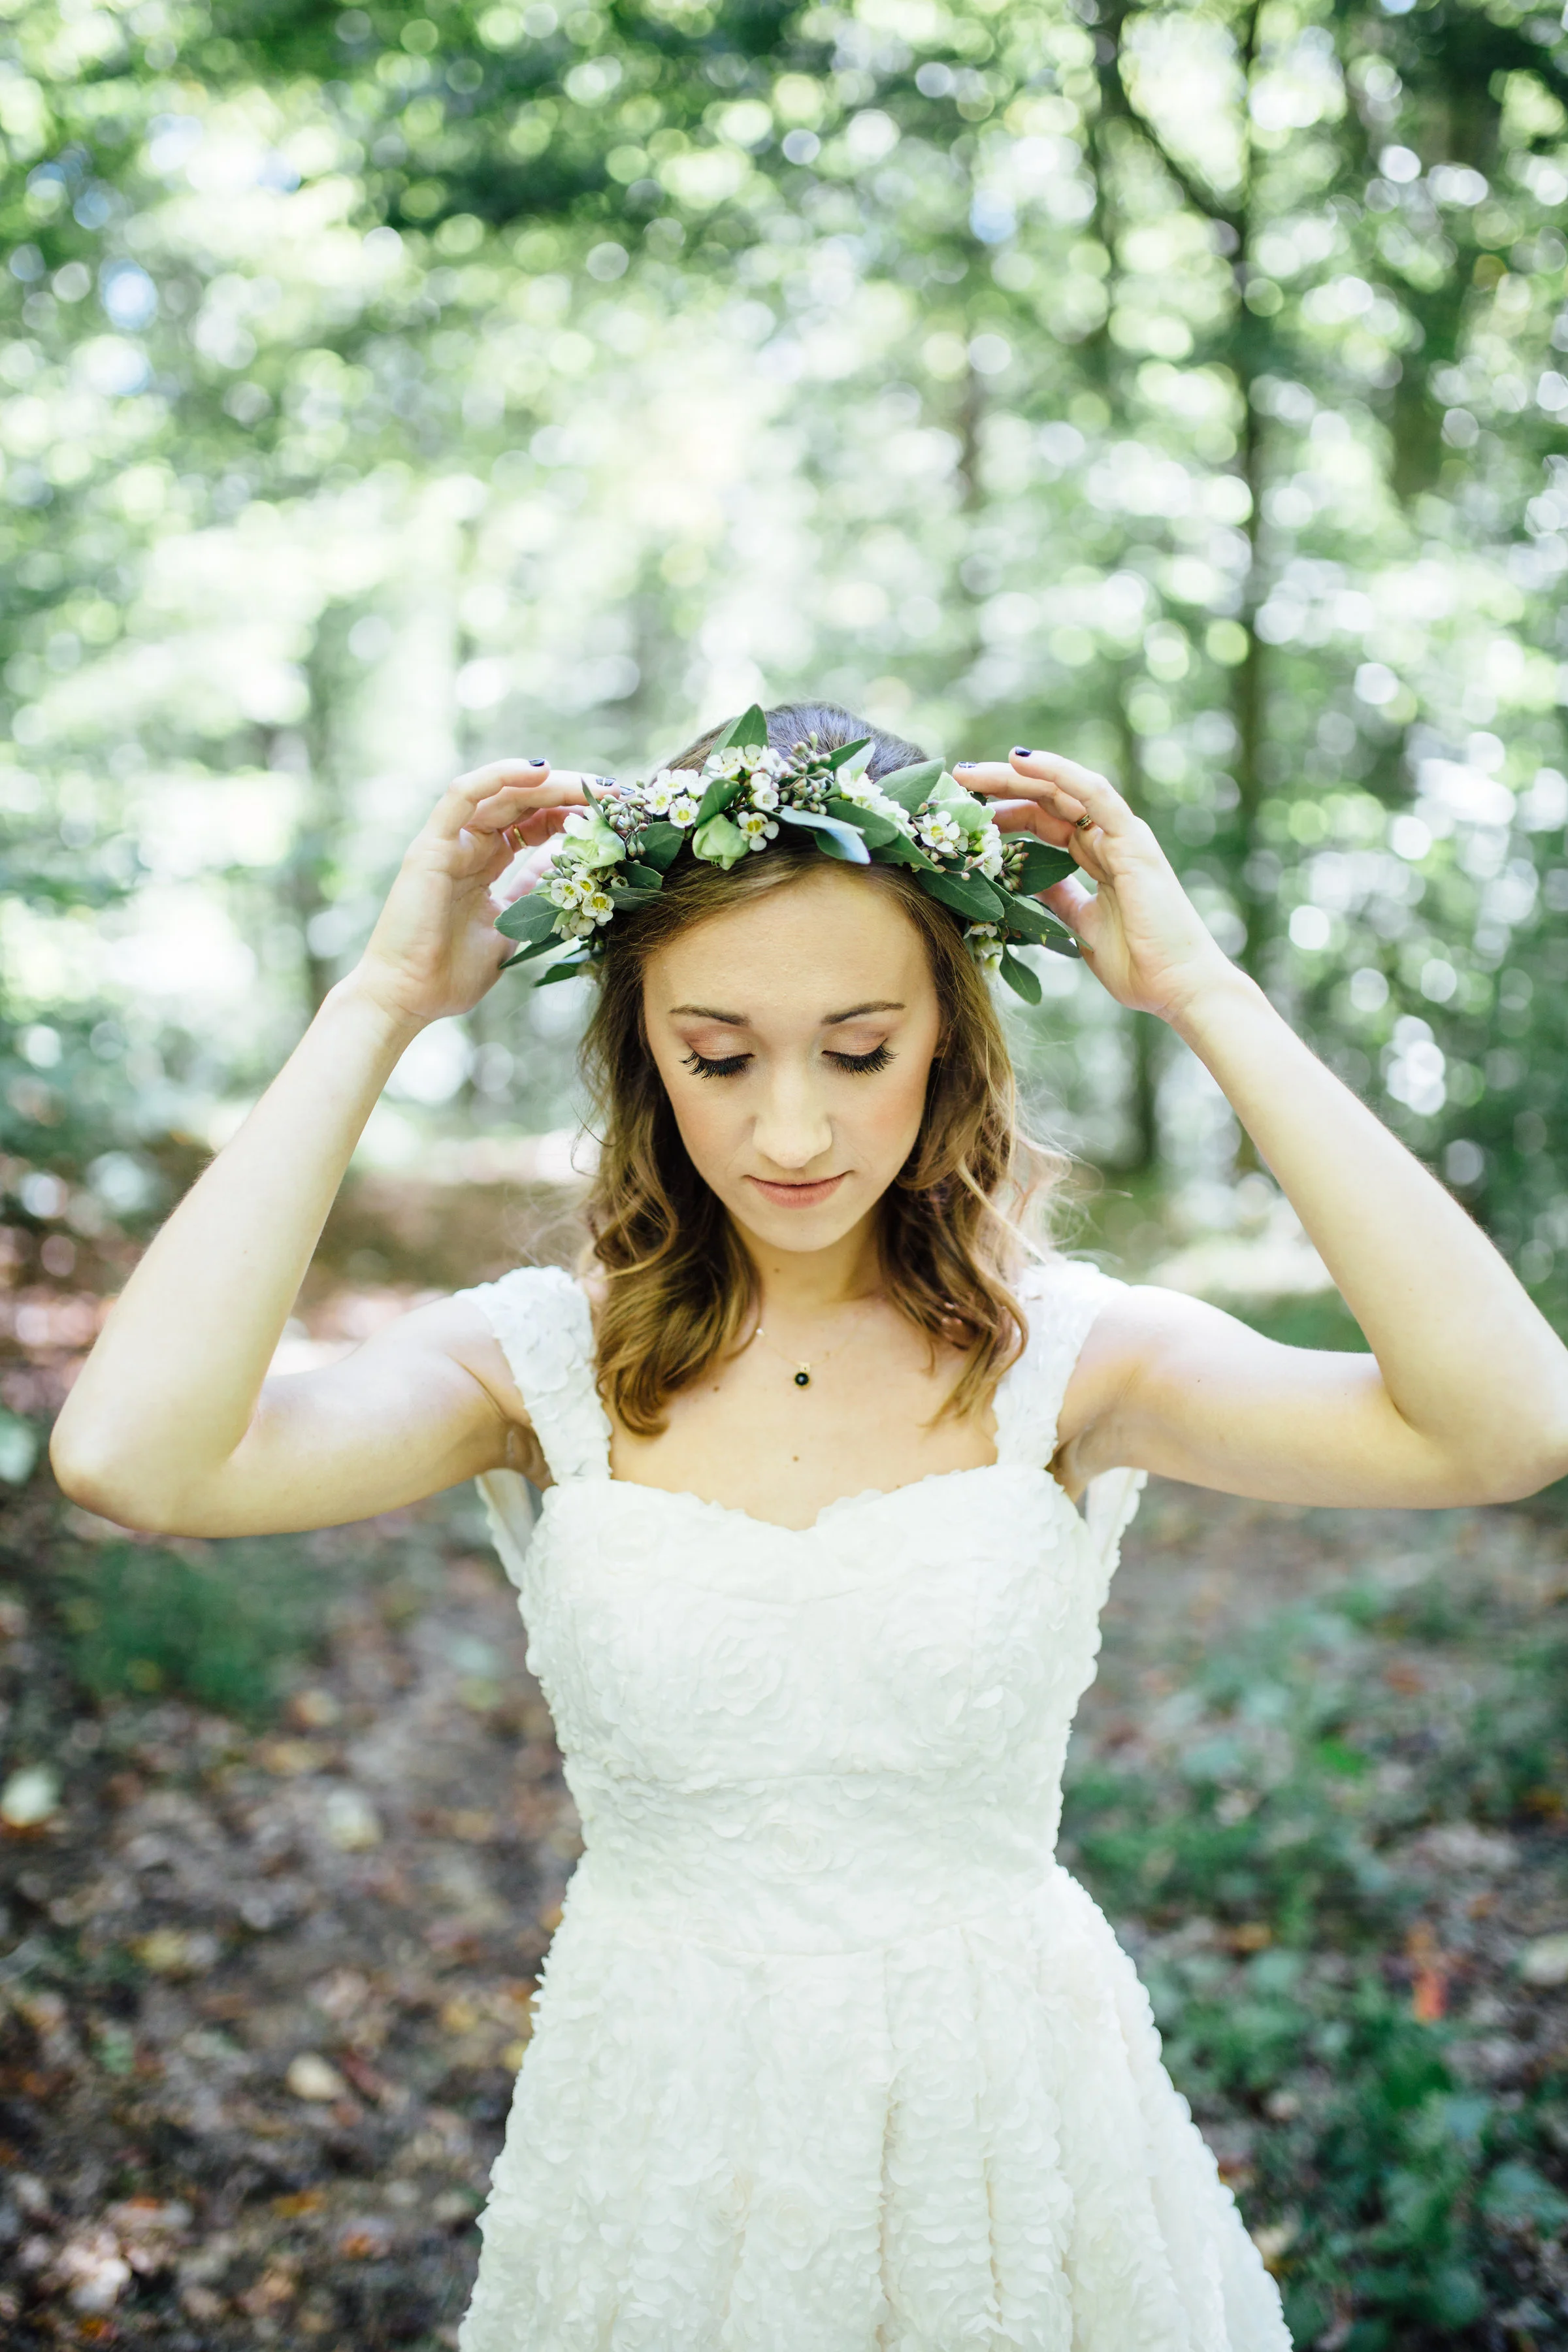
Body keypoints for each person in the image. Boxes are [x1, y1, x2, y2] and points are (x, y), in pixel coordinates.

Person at [51, 700, 1568, 2350]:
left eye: (860, 1052)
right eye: (720, 1056)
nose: (793, 1130)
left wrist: (1203, 995)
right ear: (644, 1051)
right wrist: (375, 1005)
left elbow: (1506, 1426)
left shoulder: (1075, 1360)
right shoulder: (532, 1365)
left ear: (949, 1039)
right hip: (663, 2147)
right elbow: (137, 1459)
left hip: (1008, 2137)